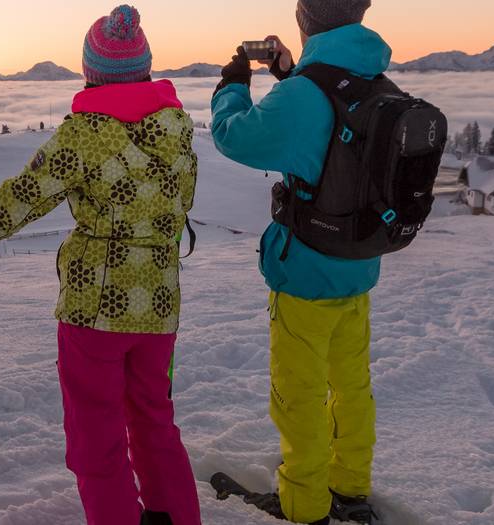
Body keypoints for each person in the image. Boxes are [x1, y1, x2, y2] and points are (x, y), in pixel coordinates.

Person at [0, 6, 201, 524]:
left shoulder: (83, 135)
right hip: (161, 305)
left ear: (90, 71)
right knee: (154, 420)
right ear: (144, 67)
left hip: (93, 309)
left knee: (96, 436)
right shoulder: (176, 126)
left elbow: (21, 200)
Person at [207, 0, 384, 523]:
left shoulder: (307, 94)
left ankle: (305, 506)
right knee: (351, 387)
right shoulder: (373, 78)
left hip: (307, 270)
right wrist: (293, 71)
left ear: (305, 19)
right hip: (359, 265)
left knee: (300, 397)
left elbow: (235, 136)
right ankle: (351, 488)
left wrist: (232, 85)